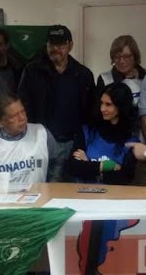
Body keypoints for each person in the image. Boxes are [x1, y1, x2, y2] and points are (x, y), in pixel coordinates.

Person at [18, 25, 96, 180]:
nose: (55, 49)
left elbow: (90, 112)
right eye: (51, 44)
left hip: (73, 144)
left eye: (61, 45)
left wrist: (83, 143)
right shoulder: (32, 71)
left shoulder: (83, 74)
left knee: (70, 188)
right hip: (40, 143)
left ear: (70, 46)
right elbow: (23, 106)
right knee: (41, 187)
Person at [0, 93, 62, 186]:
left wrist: (52, 185)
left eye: (23, 112)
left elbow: (58, 161)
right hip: (2, 199)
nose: (22, 118)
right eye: (14, 116)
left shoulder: (41, 132)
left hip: (41, 196)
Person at [67, 82, 139, 185]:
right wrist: (108, 166)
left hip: (114, 197)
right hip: (83, 195)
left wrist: (88, 165)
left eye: (108, 104)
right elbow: (73, 166)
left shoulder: (131, 142)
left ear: (121, 107)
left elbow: (124, 178)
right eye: (101, 103)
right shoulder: (88, 131)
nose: (102, 109)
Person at [96, 35, 146, 107]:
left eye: (127, 56)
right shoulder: (105, 79)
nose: (122, 61)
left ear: (135, 57)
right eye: (117, 57)